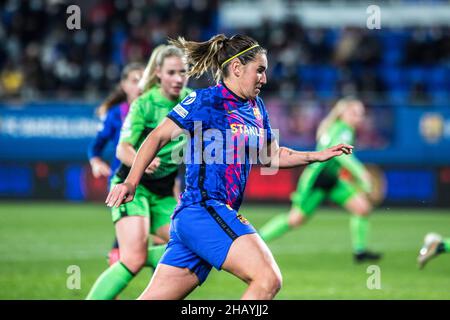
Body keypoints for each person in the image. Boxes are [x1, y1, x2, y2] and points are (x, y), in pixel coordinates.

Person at [105, 34, 354, 300]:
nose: (264, 78)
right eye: (259, 70)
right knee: (268, 279)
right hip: (203, 208)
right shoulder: (206, 100)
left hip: (205, 217)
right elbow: (157, 136)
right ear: (236, 68)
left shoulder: (256, 108)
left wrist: (315, 156)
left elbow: (272, 156)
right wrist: (131, 181)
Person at [86, 44, 191, 299]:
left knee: (189, 251)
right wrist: (140, 161)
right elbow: (123, 149)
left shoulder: (192, 101)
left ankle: (142, 257)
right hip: (133, 186)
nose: (178, 78)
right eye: (172, 72)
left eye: (183, 72)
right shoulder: (144, 103)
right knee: (133, 259)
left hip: (164, 191)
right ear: (158, 73)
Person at [259, 98, 382, 263]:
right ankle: (257, 241)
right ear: (343, 114)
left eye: (361, 114)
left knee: (362, 208)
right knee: (295, 219)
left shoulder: (337, 128)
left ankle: (360, 252)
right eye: (354, 113)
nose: (358, 117)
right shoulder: (343, 130)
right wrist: (362, 174)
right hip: (317, 180)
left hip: (332, 179)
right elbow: (343, 158)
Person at [87, 62, 145, 265]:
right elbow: (95, 146)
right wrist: (95, 162)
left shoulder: (156, 108)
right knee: (131, 237)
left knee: (149, 237)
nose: (139, 85)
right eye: (134, 80)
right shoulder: (115, 114)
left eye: (143, 80)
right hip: (124, 182)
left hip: (155, 182)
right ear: (124, 85)